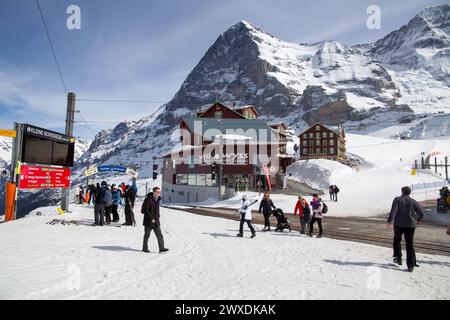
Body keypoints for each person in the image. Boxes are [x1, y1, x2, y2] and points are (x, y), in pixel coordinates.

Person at [387, 186, 424, 272]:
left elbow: (393, 211)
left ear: (402, 192)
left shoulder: (397, 200)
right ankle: (410, 265)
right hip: (410, 225)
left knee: (396, 240)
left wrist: (389, 221)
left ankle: (398, 257)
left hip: (398, 225)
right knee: (409, 244)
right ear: (409, 193)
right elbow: (421, 213)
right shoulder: (413, 201)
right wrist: (418, 220)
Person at [142, 187, 168, 253]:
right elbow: (145, 210)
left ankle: (161, 248)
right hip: (149, 221)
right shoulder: (148, 199)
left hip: (156, 221)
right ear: (154, 192)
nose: (159, 193)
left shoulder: (158, 199)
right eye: (157, 192)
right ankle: (145, 248)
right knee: (147, 235)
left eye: (159, 192)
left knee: (159, 235)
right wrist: (151, 218)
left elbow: (157, 211)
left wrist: (157, 218)